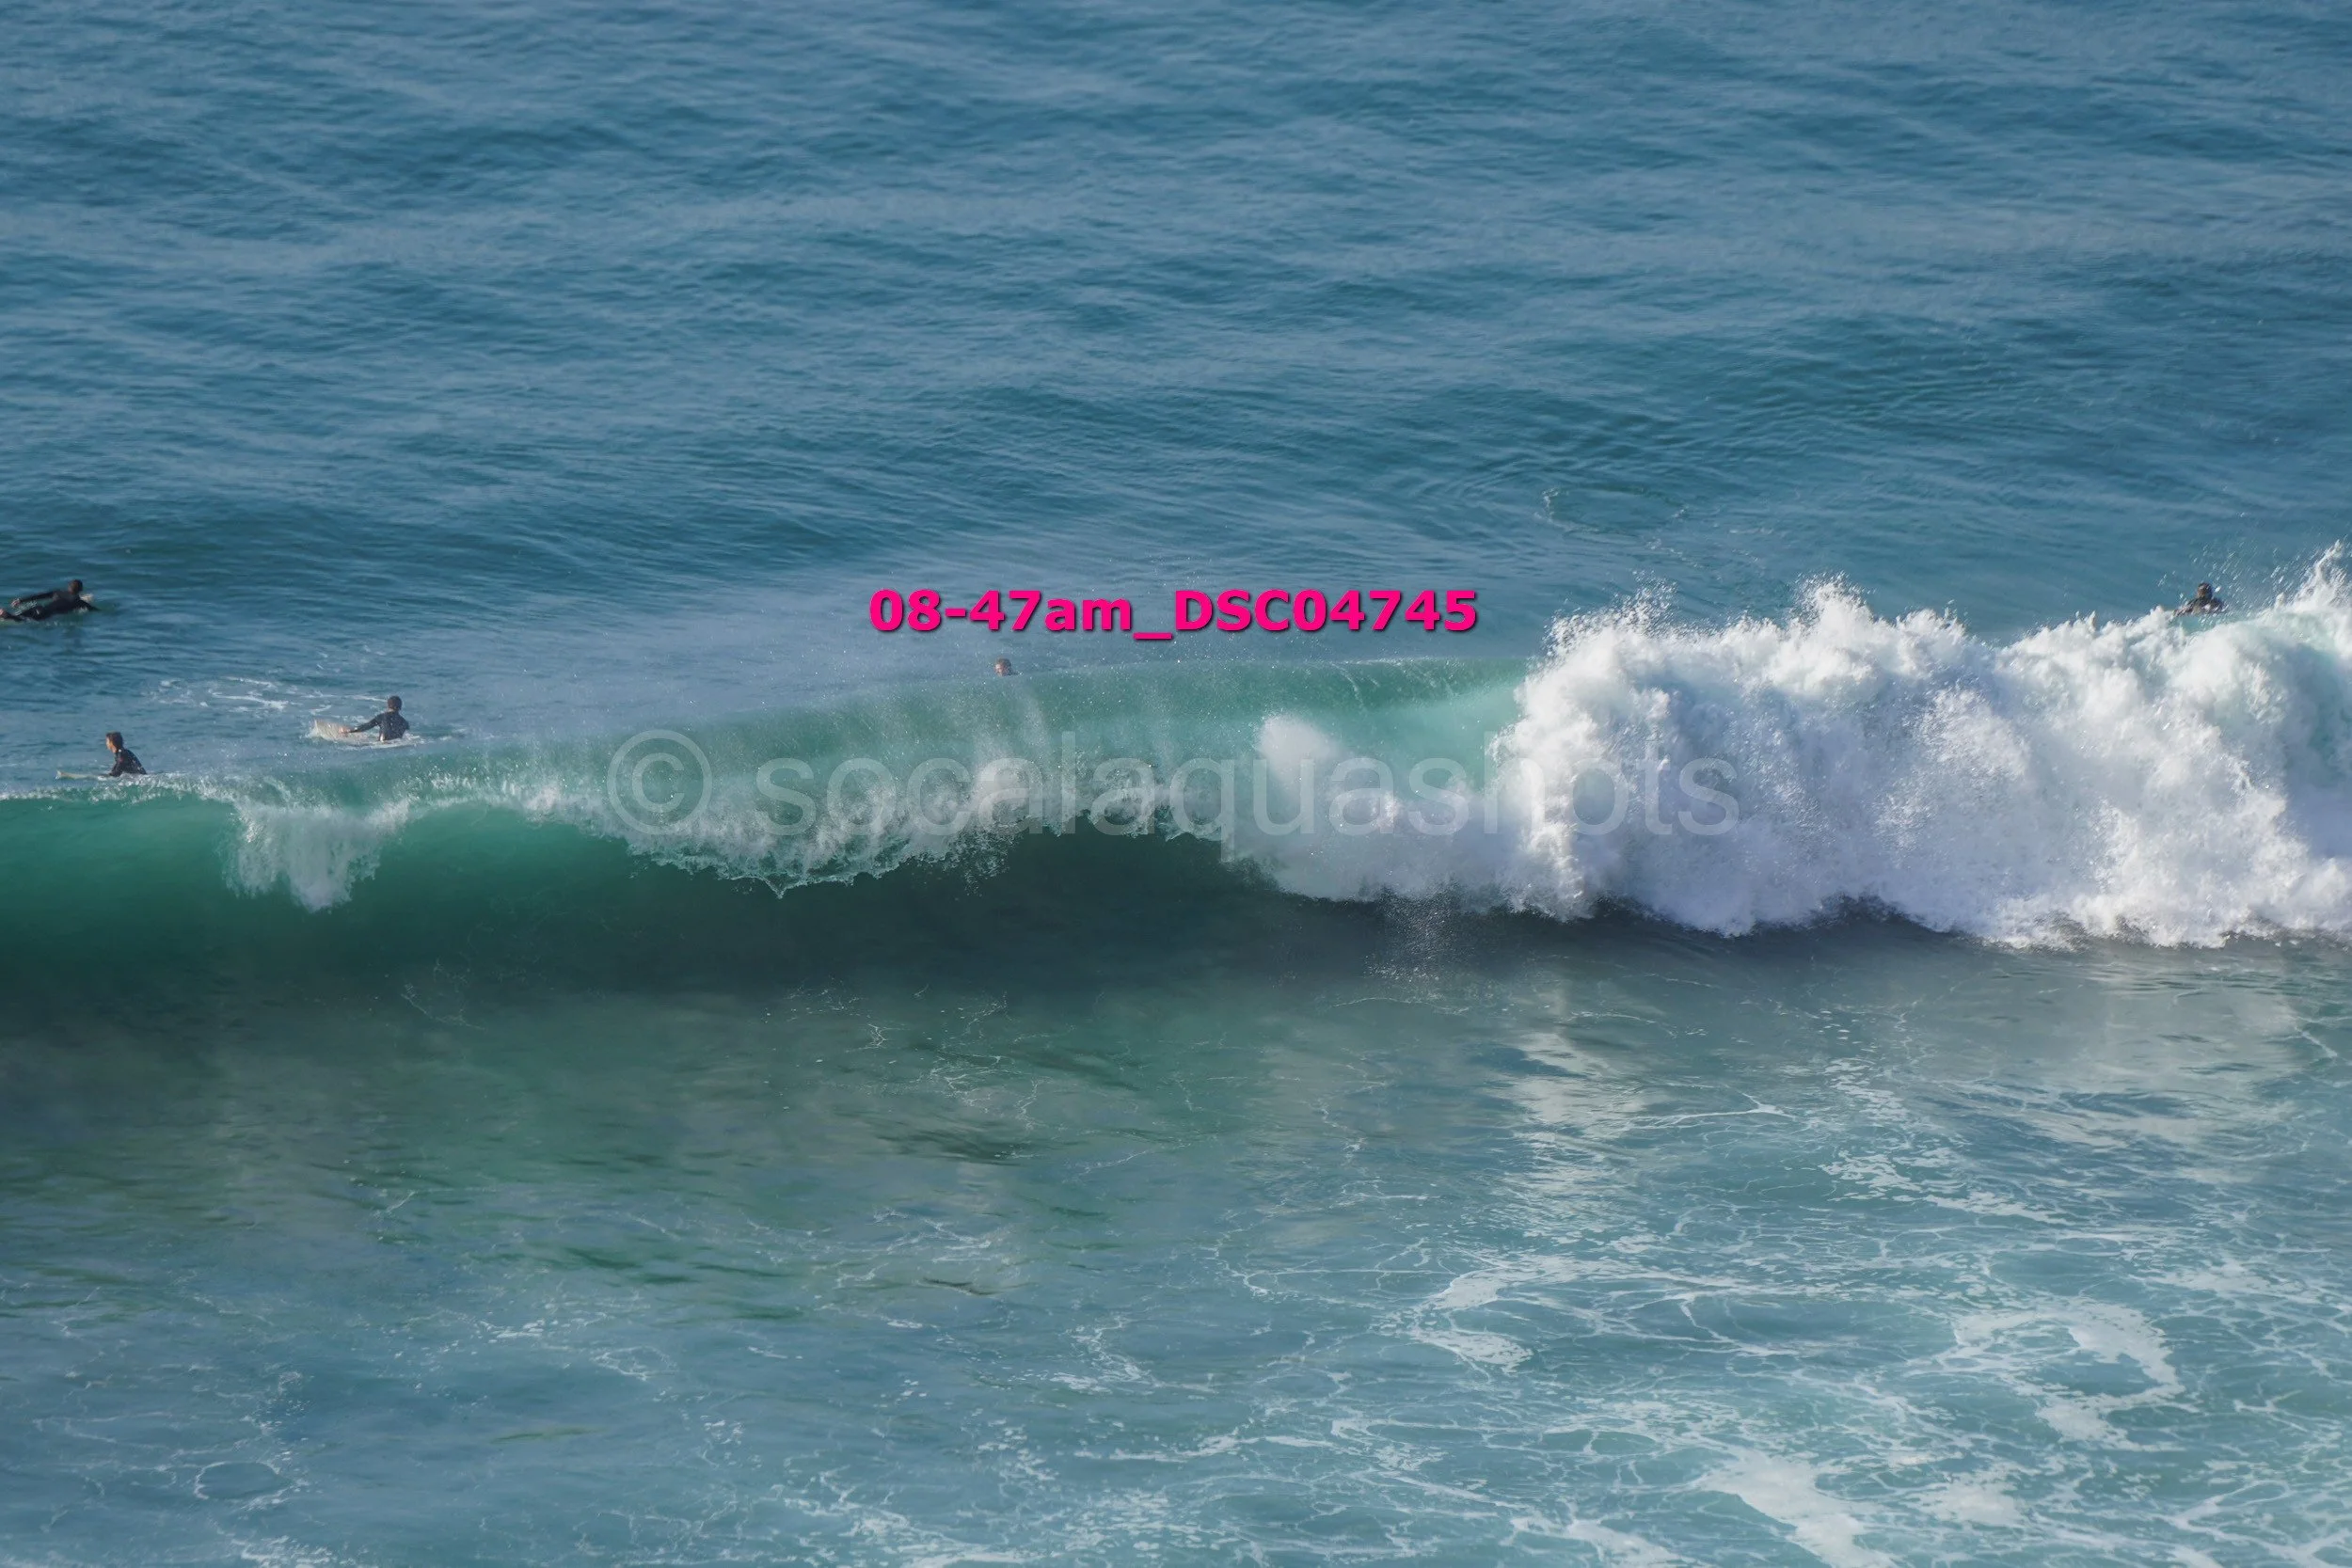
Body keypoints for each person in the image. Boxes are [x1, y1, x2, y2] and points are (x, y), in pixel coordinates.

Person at [3, 578, 94, 622]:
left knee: (18, 616)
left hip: (38, 608)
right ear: (81, 590)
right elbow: (94, 610)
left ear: (68, 587)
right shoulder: (78, 602)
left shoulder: (57, 592)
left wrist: (21, 600)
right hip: (45, 613)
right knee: (20, 620)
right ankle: (6, 615)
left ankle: (5, 615)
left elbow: (39, 596)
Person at [342, 695, 410, 741]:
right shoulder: (405, 723)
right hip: (396, 745)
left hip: (382, 745)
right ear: (400, 707)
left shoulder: (382, 717)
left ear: (388, 705)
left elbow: (366, 727)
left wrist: (349, 731)